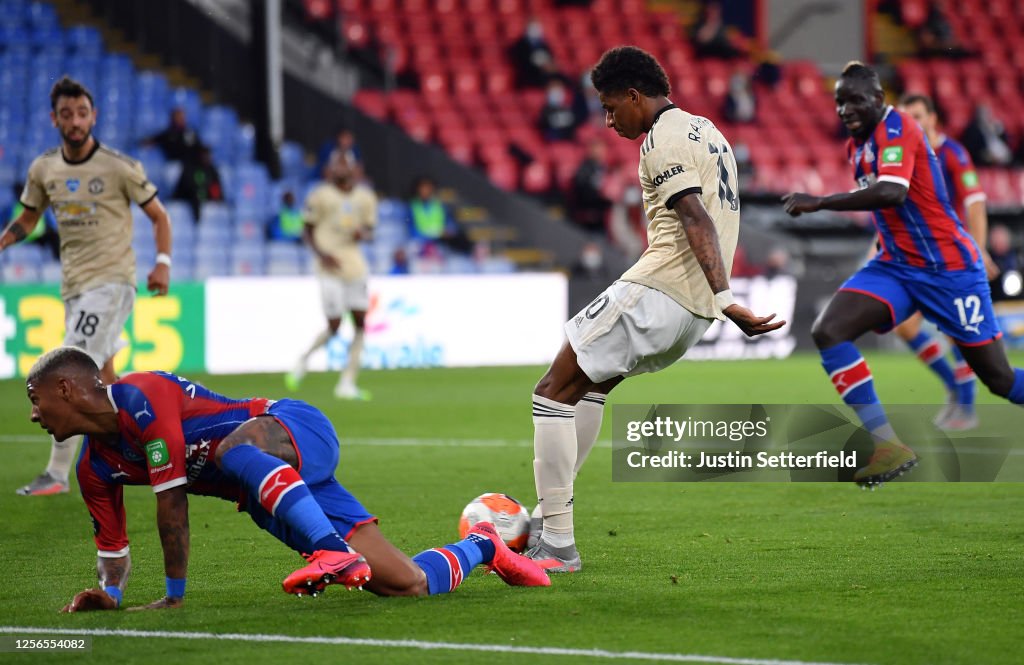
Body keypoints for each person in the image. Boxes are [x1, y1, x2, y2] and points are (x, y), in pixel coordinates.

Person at [22, 348, 549, 612]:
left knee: (232, 449)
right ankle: (485, 547)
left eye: (36, 400)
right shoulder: (94, 467)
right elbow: (112, 549)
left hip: (291, 429)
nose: (33, 415)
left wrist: (174, 597)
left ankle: (330, 550)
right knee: (404, 584)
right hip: (271, 490)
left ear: (66, 389)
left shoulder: (139, 394)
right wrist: (111, 595)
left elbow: (173, 501)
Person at [527, 47, 785, 573]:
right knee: (589, 389)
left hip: (661, 288)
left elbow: (695, 218)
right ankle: (545, 516)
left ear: (634, 96)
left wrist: (727, 296)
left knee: (551, 392)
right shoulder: (707, 130)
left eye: (609, 106)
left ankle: (555, 538)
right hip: (689, 316)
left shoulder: (660, 139)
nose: (607, 119)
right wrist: (715, 303)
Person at [782, 62, 1024, 488]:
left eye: (855, 100)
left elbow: (893, 192)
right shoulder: (855, 147)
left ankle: (958, 394)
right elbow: (887, 209)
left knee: (999, 379)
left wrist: (820, 203)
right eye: (839, 101)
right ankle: (886, 444)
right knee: (829, 330)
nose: (845, 109)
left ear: (879, 100)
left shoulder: (899, 127)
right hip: (896, 265)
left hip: (949, 269)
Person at [0, 76, 172, 497]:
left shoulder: (118, 166)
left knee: (70, 368)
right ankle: (156, 444)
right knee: (108, 383)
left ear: (93, 116)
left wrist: (162, 264)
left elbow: (160, 216)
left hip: (112, 282)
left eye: (81, 113)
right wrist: (3, 240)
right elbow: (28, 218)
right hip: (74, 286)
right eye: (66, 114)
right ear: (54, 119)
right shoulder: (44, 168)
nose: (75, 121)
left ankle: (56, 475)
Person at [887, 93, 997, 430]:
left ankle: (966, 407)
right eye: (906, 118)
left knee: (955, 330)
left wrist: (977, 253)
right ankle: (954, 385)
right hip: (916, 258)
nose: (912, 124)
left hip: (951, 256)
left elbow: (975, 203)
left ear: (933, 119)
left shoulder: (953, 154)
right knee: (905, 326)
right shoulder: (903, 157)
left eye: (918, 116)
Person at [286, 153, 376, 400]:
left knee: (360, 322)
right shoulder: (321, 195)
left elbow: (370, 229)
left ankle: (347, 382)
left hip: (355, 265)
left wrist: (363, 234)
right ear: (331, 169)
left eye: (346, 163)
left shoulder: (365, 197)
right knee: (335, 325)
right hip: (329, 267)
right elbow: (306, 228)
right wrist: (321, 255)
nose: (342, 168)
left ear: (355, 168)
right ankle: (303, 360)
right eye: (338, 164)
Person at [171, 145, 223, 222]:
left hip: (204, 196)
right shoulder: (190, 167)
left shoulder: (212, 170)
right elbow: (185, 186)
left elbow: (216, 187)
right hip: (188, 196)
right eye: (205, 155)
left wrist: (217, 197)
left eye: (208, 155)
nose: (207, 158)